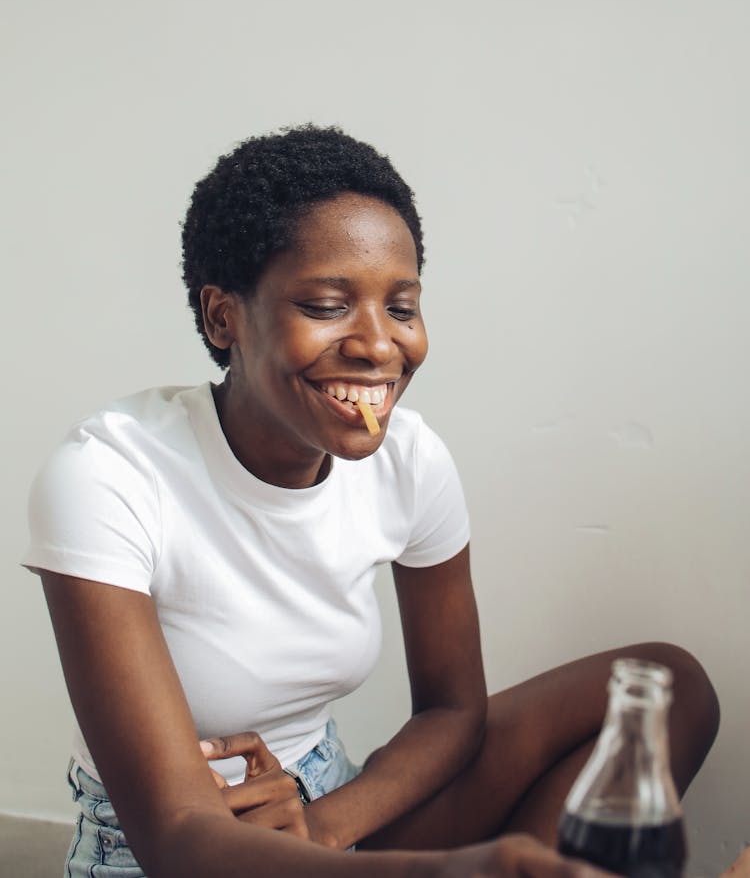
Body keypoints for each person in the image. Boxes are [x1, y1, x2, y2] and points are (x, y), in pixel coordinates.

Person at [24, 125, 719, 878]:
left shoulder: (410, 459)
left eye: (402, 306)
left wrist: (323, 824)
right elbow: (179, 838)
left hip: (326, 802)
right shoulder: (109, 474)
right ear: (225, 316)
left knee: (665, 684)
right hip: (175, 846)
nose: (380, 345)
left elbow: (455, 710)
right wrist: (458, 870)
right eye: (326, 305)